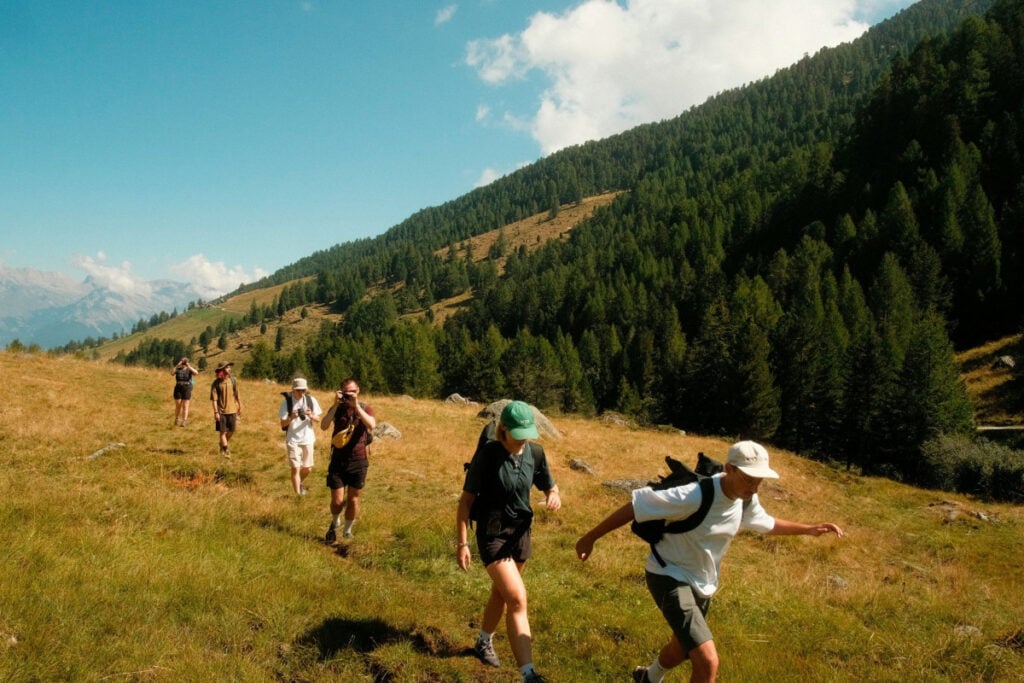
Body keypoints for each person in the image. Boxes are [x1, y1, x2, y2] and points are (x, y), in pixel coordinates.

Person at [575, 441, 844, 683]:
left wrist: (809, 529)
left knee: (682, 648)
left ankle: (649, 677)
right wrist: (590, 538)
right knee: (707, 662)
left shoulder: (745, 499)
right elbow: (637, 505)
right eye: (749, 479)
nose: (755, 487)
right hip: (668, 574)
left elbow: (766, 523)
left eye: (759, 481)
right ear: (729, 469)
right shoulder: (695, 495)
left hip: (703, 582)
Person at [456, 400, 561, 683]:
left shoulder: (535, 453)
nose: (523, 439)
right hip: (493, 533)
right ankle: (529, 674)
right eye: (518, 433)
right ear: (503, 429)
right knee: (516, 597)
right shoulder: (488, 456)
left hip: (520, 533)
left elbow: (550, 485)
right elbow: (465, 502)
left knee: (501, 594)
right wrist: (463, 544)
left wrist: (554, 495)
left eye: (527, 433)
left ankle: (483, 641)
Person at [320, 377, 375, 541]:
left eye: (353, 392)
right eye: (346, 392)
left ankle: (347, 530)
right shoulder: (337, 408)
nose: (350, 395)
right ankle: (336, 520)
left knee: (353, 499)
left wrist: (356, 406)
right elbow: (323, 425)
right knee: (337, 501)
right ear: (341, 392)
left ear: (358, 391)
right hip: (338, 460)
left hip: (358, 461)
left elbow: (372, 425)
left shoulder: (365, 408)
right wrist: (335, 405)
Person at [278, 377, 322, 495]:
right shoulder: (286, 403)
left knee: (308, 468)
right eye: (299, 390)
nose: (302, 393)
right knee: (295, 468)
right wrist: (291, 417)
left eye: (304, 390)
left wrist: (310, 415)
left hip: (308, 439)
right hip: (293, 439)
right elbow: (283, 424)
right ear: (293, 390)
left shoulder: (311, 400)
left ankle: (298, 483)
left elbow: (318, 419)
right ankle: (298, 496)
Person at [210, 361, 242, 458]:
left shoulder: (233, 380)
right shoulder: (216, 383)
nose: (229, 369)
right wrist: (216, 412)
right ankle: (226, 450)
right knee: (222, 432)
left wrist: (240, 405)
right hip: (221, 412)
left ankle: (222, 444)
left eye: (229, 367)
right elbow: (214, 400)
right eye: (227, 367)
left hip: (232, 410)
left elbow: (237, 394)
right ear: (222, 370)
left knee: (231, 431)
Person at [172, 356, 198, 426]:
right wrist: (177, 365)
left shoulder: (189, 370)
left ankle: (184, 421)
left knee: (185, 405)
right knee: (178, 405)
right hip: (178, 387)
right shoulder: (178, 369)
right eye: (182, 361)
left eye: (184, 362)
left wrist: (189, 366)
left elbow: (196, 373)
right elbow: (172, 373)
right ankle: (177, 419)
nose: (183, 363)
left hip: (187, 387)